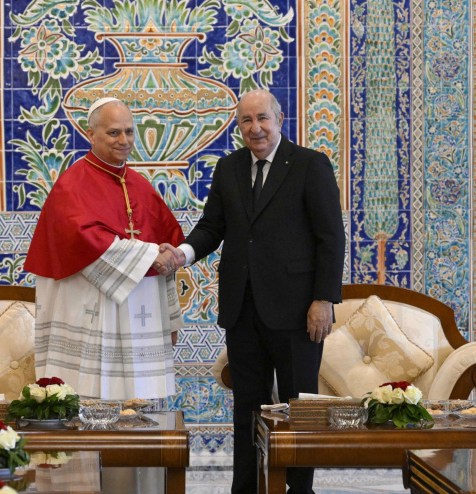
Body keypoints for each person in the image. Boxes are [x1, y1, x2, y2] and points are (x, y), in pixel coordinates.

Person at [163, 89, 344, 494]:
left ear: (279, 119)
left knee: (298, 410)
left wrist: (323, 299)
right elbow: (213, 227)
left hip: (298, 311)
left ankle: (300, 490)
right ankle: (245, 488)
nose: (255, 128)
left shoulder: (310, 165)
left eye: (262, 118)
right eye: (246, 121)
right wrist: (183, 253)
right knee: (247, 408)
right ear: (238, 125)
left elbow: (331, 237)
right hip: (242, 309)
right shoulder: (228, 168)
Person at [24, 97, 184, 400]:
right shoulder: (71, 185)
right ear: (91, 134)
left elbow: (169, 247)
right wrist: (152, 254)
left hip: (140, 314)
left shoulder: (140, 186)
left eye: (129, 131)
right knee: (91, 404)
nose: (124, 140)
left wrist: (169, 317)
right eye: (113, 133)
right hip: (92, 313)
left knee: (141, 409)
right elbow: (86, 241)